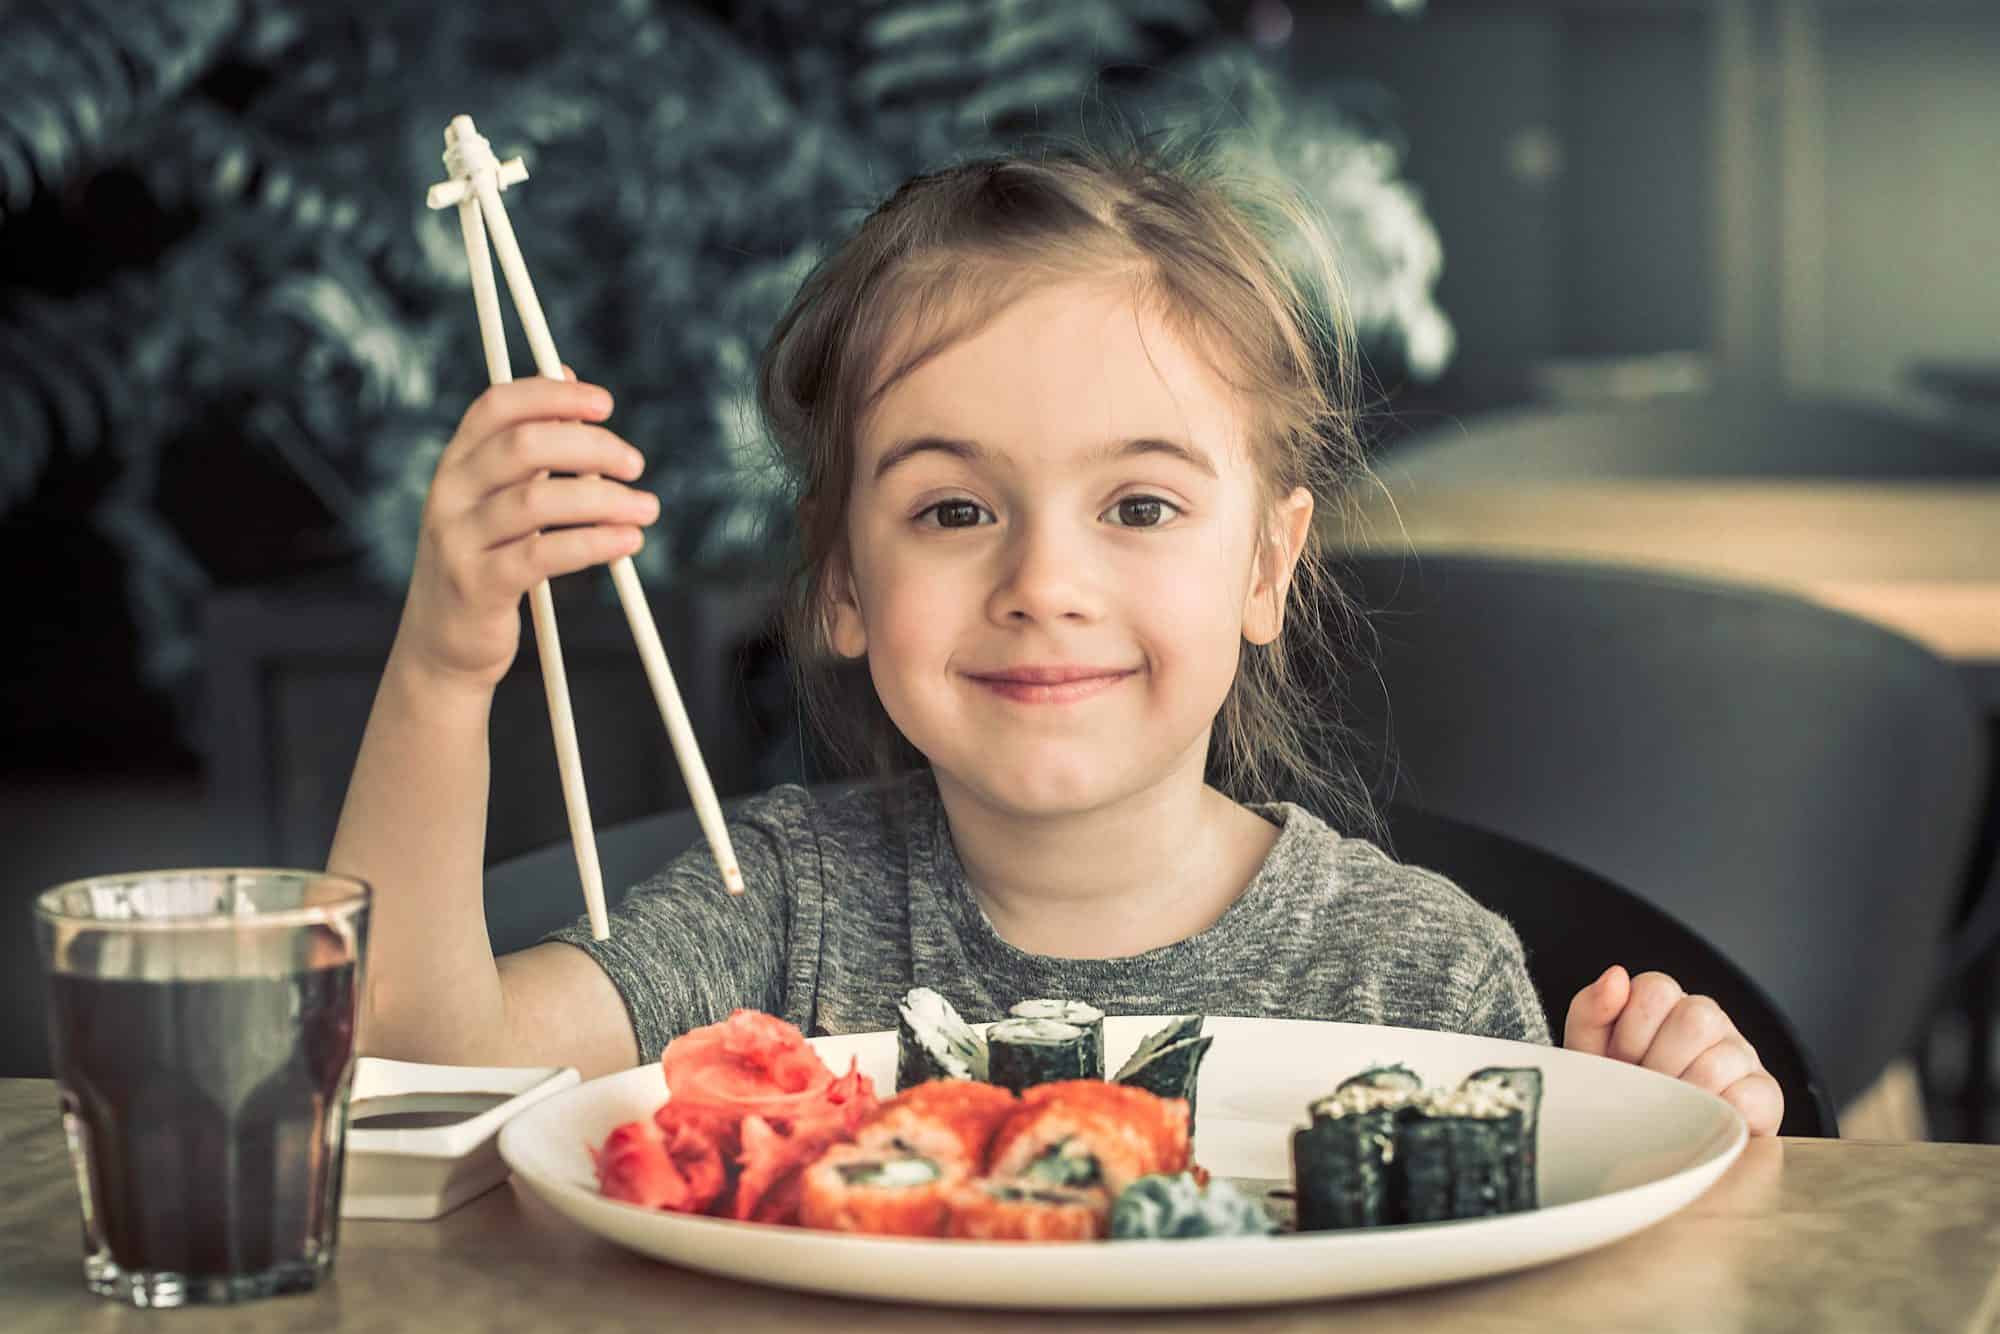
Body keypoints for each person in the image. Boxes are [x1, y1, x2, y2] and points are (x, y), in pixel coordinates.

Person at [329, 142, 1782, 1136]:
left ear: (1266, 565)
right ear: (841, 581)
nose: (1044, 582)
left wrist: (1659, 1135)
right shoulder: (773, 915)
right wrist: (445, 668)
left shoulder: (1417, 979)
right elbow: (416, 1067)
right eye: (954, 510)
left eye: (1138, 506)